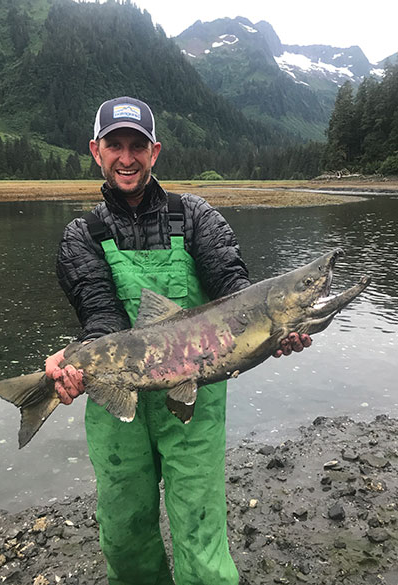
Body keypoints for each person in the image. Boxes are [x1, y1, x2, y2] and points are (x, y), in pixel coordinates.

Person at [45, 96, 311, 585]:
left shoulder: (195, 217)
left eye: (137, 146)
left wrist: (274, 331)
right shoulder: (81, 235)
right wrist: (81, 362)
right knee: (125, 537)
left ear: (156, 152)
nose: (127, 157)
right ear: (96, 151)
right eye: (115, 145)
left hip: (196, 400)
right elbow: (101, 318)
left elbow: (235, 289)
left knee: (201, 532)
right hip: (117, 403)